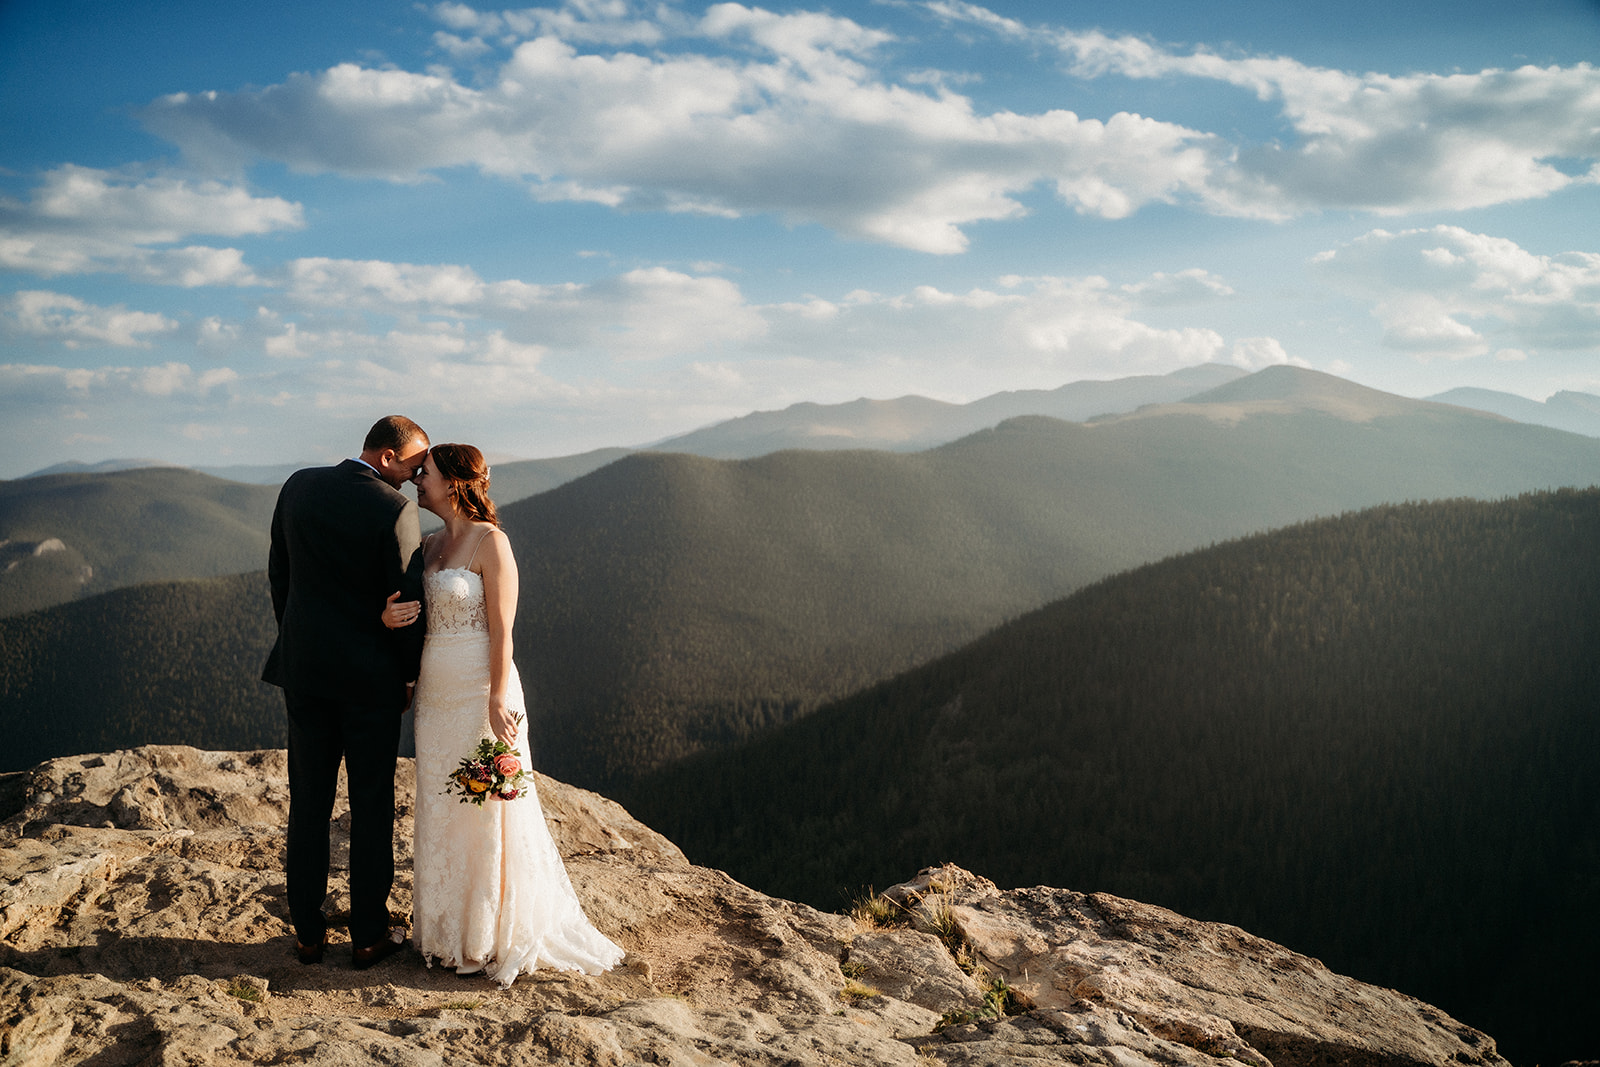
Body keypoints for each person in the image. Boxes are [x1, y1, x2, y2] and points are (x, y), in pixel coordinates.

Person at [384, 443, 622, 986]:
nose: (418, 481)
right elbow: (416, 616)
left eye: (427, 474)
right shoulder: (429, 542)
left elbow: (502, 628)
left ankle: (484, 933)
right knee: (441, 801)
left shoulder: (492, 542)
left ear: (455, 483)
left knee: (484, 804)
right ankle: (443, 930)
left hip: (479, 685)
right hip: (436, 689)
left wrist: (496, 697)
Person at [263, 415, 430, 970]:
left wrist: (300, 640)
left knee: (308, 802)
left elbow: (280, 576)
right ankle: (367, 936)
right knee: (370, 806)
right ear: (386, 457)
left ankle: (308, 935)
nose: (417, 474)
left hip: (305, 673)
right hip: (369, 682)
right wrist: (407, 676)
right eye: (412, 464)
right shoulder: (395, 508)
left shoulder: (299, 485)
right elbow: (404, 604)